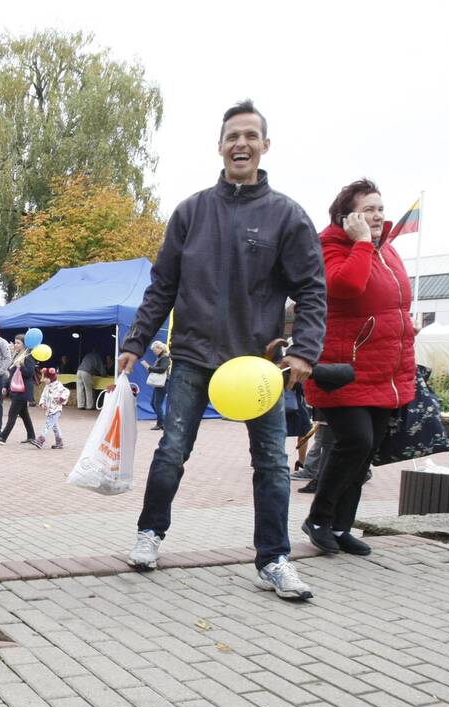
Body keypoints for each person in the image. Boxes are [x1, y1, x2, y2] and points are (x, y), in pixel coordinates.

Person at [118, 100, 326, 600]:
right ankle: (150, 534)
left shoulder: (287, 216)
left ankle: (274, 559)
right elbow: (162, 286)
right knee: (171, 451)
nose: (241, 143)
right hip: (191, 355)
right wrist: (135, 343)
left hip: (259, 365)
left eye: (251, 136)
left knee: (273, 463)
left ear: (265, 146)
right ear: (220, 146)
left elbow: (313, 289)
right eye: (233, 135)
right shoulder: (191, 212)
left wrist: (303, 352)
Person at [302, 179, 416, 556]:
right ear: (346, 216)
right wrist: (363, 242)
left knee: (366, 454)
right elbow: (347, 286)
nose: (378, 215)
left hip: (386, 370)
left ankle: (340, 526)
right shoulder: (330, 248)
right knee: (355, 442)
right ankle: (318, 518)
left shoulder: (390, 252)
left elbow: (396, 304)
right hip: (344, 367)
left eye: (381, 208)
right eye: (369, 209)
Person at [0, 335, 37, 445]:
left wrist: (20, 367)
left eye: (18, 343)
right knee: (24, 415)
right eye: (15, 342)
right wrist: (5, 386)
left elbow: (30, 373)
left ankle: (3, 437)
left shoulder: (28, 357)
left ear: (24, 345)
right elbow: (12, 374)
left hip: (23, 391)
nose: (15, 345)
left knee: (12, 414)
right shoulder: (17, 355)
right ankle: (31, 436)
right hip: (16, 390)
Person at [31, 367, 69, 448]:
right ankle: (59, 442)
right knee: (55, 427)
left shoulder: (58, 385)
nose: (44, 379)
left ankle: (40, 440)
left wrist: (61, 399)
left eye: (45, 378)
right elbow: (43, 396)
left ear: (50, 378)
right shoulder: (47, 386)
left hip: (56, 409)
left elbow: (66, 391)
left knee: (48, 425)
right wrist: (42, 403)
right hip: (49, 409)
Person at [141, 341, 171, 430]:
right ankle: (163, 422)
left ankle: (161, 423)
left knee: (157, 404)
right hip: (160, 383)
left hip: (163, 383)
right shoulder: (160, 357)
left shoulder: (165, 357)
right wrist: (150, 369)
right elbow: (159, 369)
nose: (154, 351)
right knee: (153, 404)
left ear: (160, 348)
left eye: (154, 350)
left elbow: (162, 369)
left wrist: (149, 367)